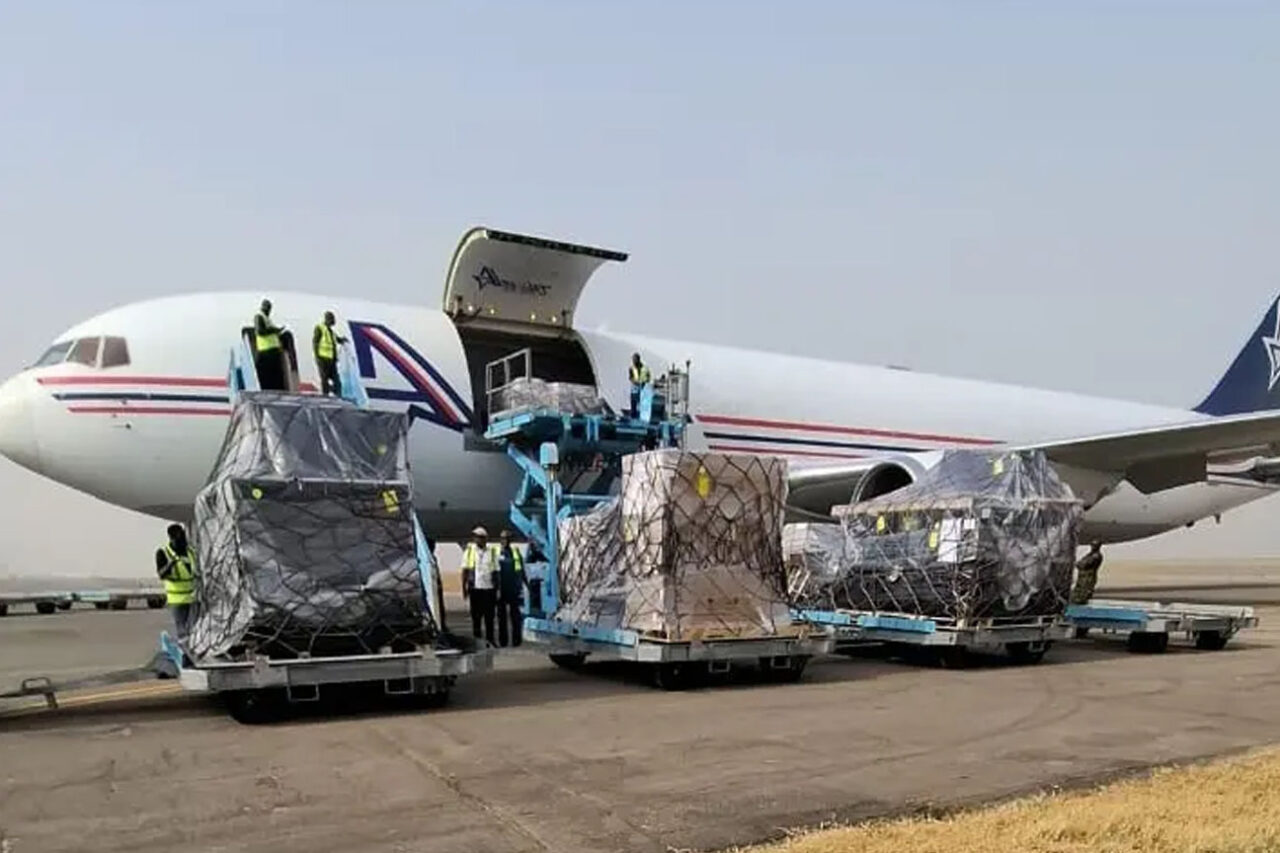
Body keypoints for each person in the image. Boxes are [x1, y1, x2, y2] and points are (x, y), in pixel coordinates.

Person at [154, 523, 196, 638]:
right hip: (177, 600)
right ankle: (183, 649)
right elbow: (161, 574)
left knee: (194, 631)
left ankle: (190, 648)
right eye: (180, 537)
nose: (183, 540)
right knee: (182, 632)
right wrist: (171, 563)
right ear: (172, 538)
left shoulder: (190, 552)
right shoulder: (163, 552)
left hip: (193, 598)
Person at [460, 526, 498, 645]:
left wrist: (498, 589)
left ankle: (490, 640)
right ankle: (477, 641)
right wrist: (464, 588)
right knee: (476, 617)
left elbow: (496, 572)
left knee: (489, 617)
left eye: (480, 537)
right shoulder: (469, 552)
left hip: (489, 589)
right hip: (475, 589)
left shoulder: (492, 552)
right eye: (476, 537)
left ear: (485, 539)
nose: (478, 539)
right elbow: (464, 571)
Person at [495, 530, 525, 647]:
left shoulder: (516, 552)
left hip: (513, 589)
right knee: (501, 618)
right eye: (504, 538)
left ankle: (516, 641)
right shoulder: (496, 553)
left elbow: (521, 570)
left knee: (515, 617)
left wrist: (524, 585)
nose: (506, 541)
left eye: (508, 538)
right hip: (501, 589)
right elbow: (494, 572)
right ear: (500, 540)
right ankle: (503, 641)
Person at [254, 299, 287, 391]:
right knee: (266, 376)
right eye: (267, 308)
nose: (269, 310)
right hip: (265, 351)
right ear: (263, 307)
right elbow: (260, 331)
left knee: (275, 376)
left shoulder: (267, 318)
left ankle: (277, 390)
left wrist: (278, 331)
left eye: (269, 308)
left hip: (273, 351)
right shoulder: (259, 316)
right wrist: (274, 330)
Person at [312, 310, 348, 397]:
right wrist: (317, 357)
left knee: (337, 381)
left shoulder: (331, 332)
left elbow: (336, 340)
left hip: (331, 360)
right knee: (324, 379)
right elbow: (315, 343)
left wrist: (342, 340)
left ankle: (338, 395)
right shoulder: (320, 328)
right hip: (323, 359)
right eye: (332, 320)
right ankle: (326, 395)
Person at [524, 541, 547, 618]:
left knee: (535, 597)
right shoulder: (534, 556)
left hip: (534, 581)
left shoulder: (533, 556)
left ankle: (536, 612)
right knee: (535, 597)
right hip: (535, 581)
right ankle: (536, 612)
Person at [628, 352, 652, 418]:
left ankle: (642, 417)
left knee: (643, 405)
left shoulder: (645, 368)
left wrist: (644, 382)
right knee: (633, 405)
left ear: (638, 360)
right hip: (634, 390)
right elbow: (630, 378)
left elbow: (648, 377)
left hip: (643, 390)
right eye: (633, 360)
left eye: (635, 360)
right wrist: (635, 382)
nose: (633, 362)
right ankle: (633, 417)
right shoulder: (631, 368)